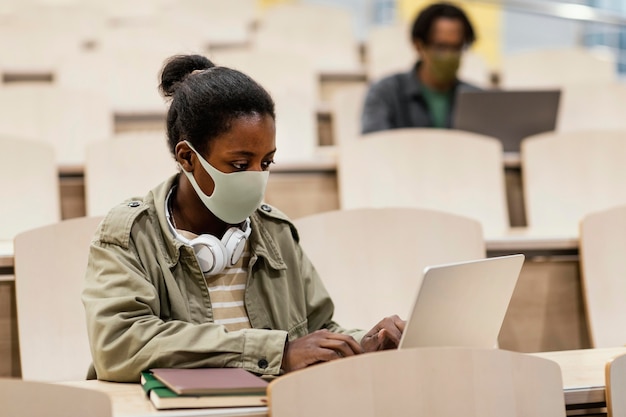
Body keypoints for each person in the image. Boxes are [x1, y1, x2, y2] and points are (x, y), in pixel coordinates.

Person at [82, 54, 405, 383]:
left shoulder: (274, 232)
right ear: (188, 157)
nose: (256, 177)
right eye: (239, 164)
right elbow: (119, 345)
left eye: (266, 163)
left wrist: (365, 344)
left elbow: (316, 329)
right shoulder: (130, 236)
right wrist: (275, 353)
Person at [361, 1, 481, 134]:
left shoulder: (478, 99)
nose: (449, 55)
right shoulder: (386, 93)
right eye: (441, 47)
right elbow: (372, 146)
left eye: (457, 47)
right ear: (419, 45)